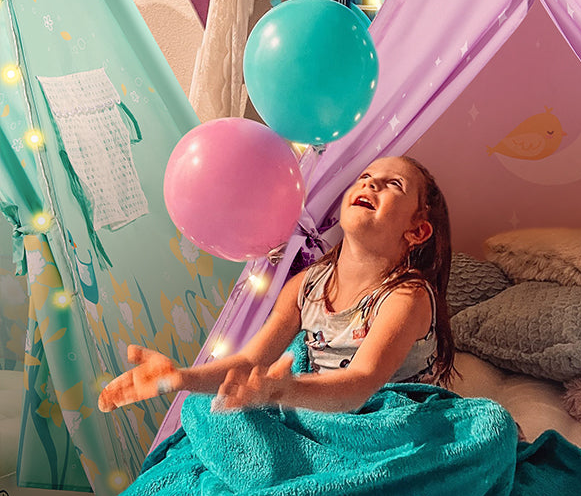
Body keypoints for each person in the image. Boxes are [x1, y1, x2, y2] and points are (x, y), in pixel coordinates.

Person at [98, 156, 455, 415]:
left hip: (393, 419)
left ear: (417, 231)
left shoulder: (407, 297)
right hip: (324, 405)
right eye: (366, 175)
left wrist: (282, 389)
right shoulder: (305, 287)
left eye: (394, 184)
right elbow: (251, 359)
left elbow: (361, 382)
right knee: (206, 416)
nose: (370, 183)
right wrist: (177, 378)